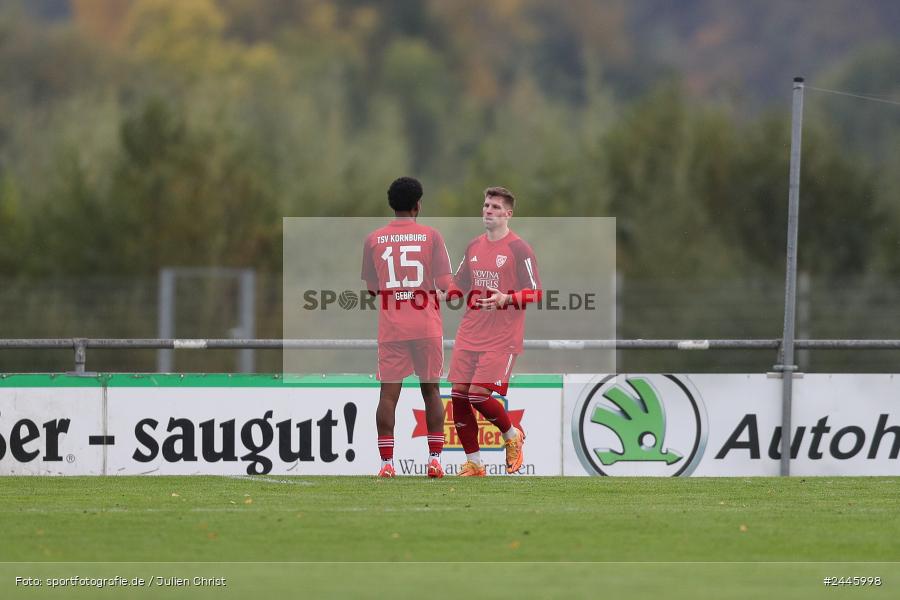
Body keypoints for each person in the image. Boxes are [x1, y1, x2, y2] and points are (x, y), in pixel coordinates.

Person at [361, 177, 453, 478]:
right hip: (426, 326)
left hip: (392, 330)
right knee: (432, 391)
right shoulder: (431, 237)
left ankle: (387, 464)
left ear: (393, 205)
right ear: (418, 205)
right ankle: (435, 460)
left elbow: (373, 289)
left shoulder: (373, 239)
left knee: (388, 396)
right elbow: (444, 285)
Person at [447, 186, 542, 476]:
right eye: (486, 205)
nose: (488, 210)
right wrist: (441, 291)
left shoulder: (519, 248)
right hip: (470, 332)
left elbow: (536, 292)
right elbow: (459, 285)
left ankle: (513, 435)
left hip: (501, 338)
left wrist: (506, 298)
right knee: (459, 395)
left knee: (477, 395)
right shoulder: (474, 246)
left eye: (496, 207)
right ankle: (475, 464)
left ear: (508, 214)